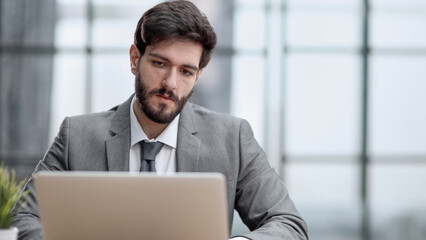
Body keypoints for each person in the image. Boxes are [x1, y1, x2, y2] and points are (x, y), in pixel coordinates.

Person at [13, 1, 308, 239]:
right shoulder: (76, 136)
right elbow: (23, 218)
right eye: (159, 63)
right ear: (134, 59)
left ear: (198, 76)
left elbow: (288, 224)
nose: (171, 84)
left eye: (186, 71)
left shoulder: (233, 137)